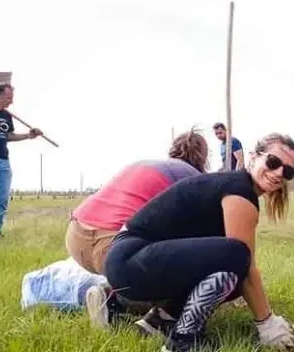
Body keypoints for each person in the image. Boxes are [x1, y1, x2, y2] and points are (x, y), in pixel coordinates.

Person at [102, 132, 294, 351]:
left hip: (133, 261)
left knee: (231, 277)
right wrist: (267, 323)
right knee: (237, 256)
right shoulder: (240, 190)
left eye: (288, 171)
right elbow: (246, 265)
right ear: (253, 156)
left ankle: (161, 321)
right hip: (130, 260)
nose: (279, 173)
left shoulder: (236, 186)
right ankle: (182, 341)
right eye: (273, 162)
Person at [65, 129, 209, 324]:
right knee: (193, 263)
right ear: (203, 158)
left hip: (76, 235)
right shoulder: (191, 177)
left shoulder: (144, 164)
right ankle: (114, 301)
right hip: (113, 247)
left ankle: (114, 291)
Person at [0, 83, 43, 236]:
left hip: (3, 161)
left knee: (3, 198)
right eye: (8, 97)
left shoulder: (6, 116)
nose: (11, 101)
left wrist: (29, 135)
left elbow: (8, 136)